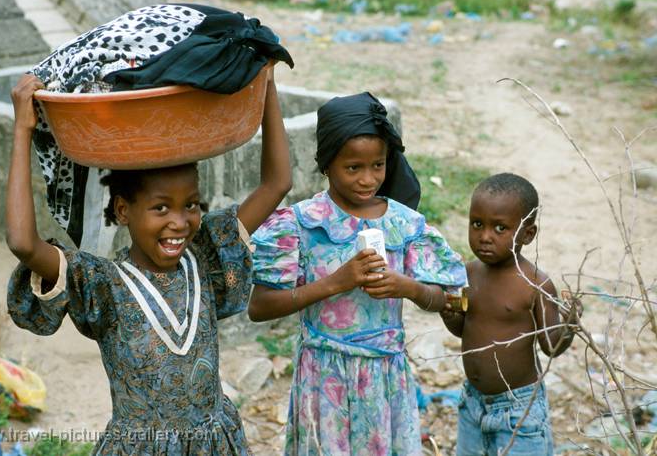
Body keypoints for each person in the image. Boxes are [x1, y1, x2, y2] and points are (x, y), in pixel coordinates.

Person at [5, 71, 291, 455]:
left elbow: (277, 184)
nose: (180, 221)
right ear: (123, 210)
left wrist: (265, 84)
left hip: (216, 444)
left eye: (191, 205)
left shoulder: (205, 256)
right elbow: (23, 243)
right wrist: (22, 127)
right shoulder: (102, 284)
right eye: (161, 208)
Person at [248, 92, 467, 455]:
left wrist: (409, 288)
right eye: (353, 168)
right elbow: (260, 307)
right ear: (326, 163)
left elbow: (447, 300)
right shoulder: (302, 224)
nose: (368, 179)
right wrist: (336, 282)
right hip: (323, 378)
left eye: (378, 166)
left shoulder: (405, 225)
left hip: (386, 380)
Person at [440, 173, 580, 456]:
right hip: (473, 403)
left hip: (519, 409)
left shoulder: (535, 284)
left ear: (528, 234)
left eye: (500, 228)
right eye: (477, 224)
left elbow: (550, 346)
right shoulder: (467, 273)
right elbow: (461, 329)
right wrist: (448, 309)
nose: (485, 237)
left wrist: (570, 323)